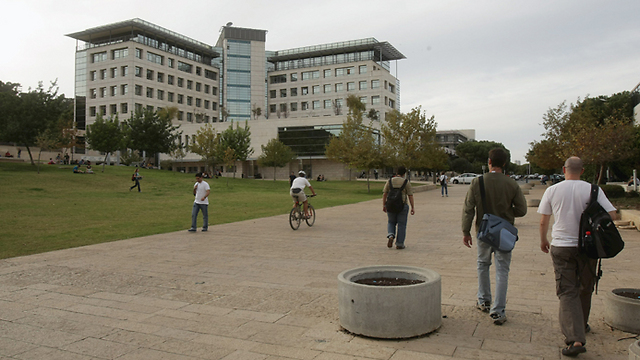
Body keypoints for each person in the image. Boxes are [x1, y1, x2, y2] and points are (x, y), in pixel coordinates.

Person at [538, 157, 616, 357]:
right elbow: (612, 215)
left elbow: (543, 220)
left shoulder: (552, 190)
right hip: (588, 247)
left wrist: (543, 240)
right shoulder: (593, 190)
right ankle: (582, 325)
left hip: (562, 245)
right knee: (585, 287)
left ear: (564, 169)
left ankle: (575, 338)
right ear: (582, 171)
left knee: (567, 291)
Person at [462, 148, 527, 325]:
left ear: (489, 161)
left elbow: (468, 209)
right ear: (504, 163)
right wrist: (507, 212)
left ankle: (483, 300)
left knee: (483, 265)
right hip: (504, 233)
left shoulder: (477, 182)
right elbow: (522, 210)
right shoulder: (511, 184)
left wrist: (466, 231)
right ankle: (498, 310)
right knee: (502, 270)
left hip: (483, 231)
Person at [382, 166, 415, 250]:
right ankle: (399, 243)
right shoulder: (406, 182)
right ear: (404, 173)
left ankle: (391, 235)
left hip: (391, 205)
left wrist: (384, 205)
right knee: (402, 225)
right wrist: (412, 207)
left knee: (391, 222)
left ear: (396, 172)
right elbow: (410, 195)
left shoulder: (390, 181)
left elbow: (385, 193)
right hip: (402, 205)